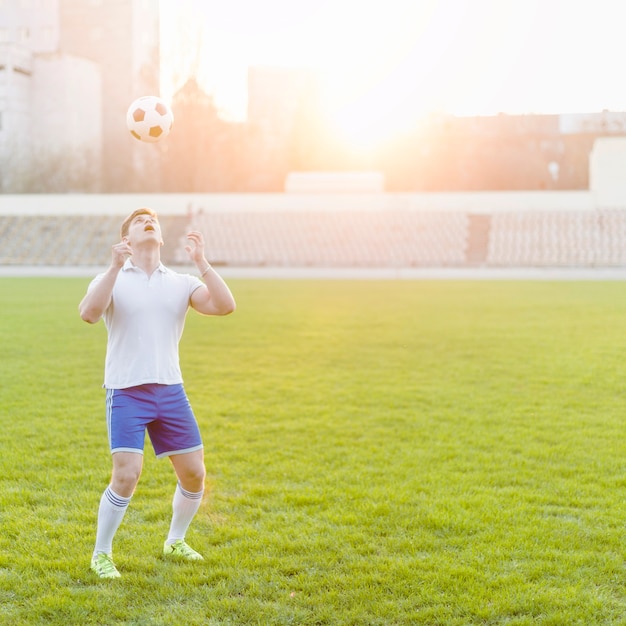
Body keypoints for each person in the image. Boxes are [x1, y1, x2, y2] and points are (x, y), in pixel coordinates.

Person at [79, 207, 236, 579]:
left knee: (195, 474)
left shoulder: (180, 282)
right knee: (127, 474)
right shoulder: (110, 277)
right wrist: (115, 267)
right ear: (127, 239)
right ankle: (101, 554)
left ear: (161, 237)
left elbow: (225, 306)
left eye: (152, 220)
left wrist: (202, 262)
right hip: (127, 391)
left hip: (170, 391)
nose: (148, 222)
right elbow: (88, 313)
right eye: (138, 221)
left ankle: (175, 541)